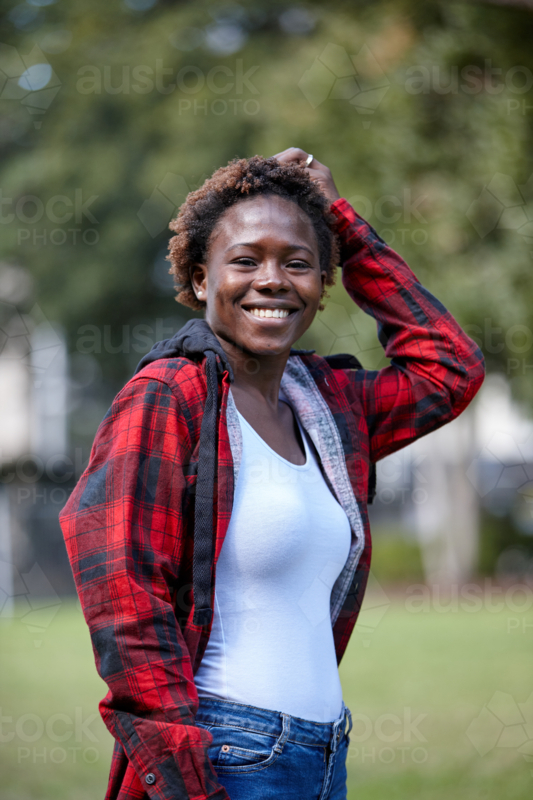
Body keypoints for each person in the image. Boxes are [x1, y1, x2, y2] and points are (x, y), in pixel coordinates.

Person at [59, 147, 485, 800]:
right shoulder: (170, 397)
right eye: (245, 260)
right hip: (228, 754)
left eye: (297, 263)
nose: (272, 280)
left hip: (324, 754)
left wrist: (343, 223)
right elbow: (126, 602)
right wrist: (188, 782)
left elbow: (448, 368)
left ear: (321, 284)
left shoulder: (326, 405)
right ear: (201, 278)